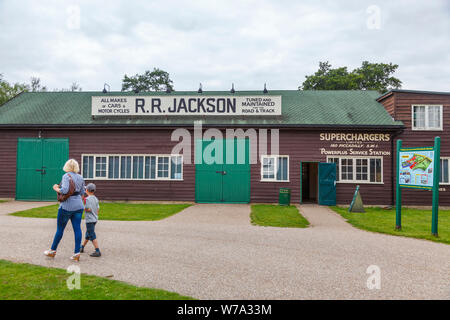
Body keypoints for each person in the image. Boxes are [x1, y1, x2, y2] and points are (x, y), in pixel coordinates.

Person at [44, 159, 85, 261]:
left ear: (67, 166)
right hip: (79, 206)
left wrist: (56, 188)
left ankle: (52, 251)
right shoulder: (80, 177)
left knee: (60, 229)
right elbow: (82, 192)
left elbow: (65, 190)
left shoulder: (66, 176)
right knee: (77, 229)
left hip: (66, 206)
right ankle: (76, 253)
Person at [80, 183, 101, 257]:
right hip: (95, 219)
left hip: (89, 220)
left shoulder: (86, 199)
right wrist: (95, 215)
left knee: (91, 234)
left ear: (87, 190)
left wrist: (82, 207)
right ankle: (82, 247)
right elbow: (98, 209)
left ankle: (97, 250)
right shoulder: (96, 198)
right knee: (88, 234)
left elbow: (88, 209)